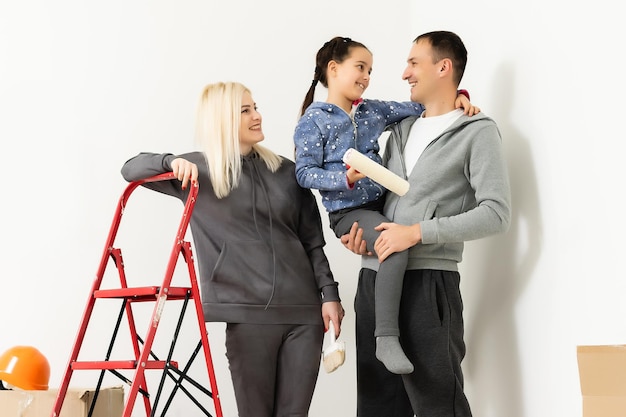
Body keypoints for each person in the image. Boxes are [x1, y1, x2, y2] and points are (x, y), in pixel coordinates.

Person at [121, 81, 345, 417]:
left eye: (255, 107)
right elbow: (131, 168)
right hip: (247, 317)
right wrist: (170, 161)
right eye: (245, 110)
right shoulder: (200, 171)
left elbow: (312, 242)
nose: (257, 116)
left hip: (304, 315)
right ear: (223, 119)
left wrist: (329, 295)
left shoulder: (286, 172)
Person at [341, 31, 512, 417]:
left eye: (413, 63)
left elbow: (496, 213)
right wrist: (361, 238)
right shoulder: (400, 129)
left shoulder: (478, 131)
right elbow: (385, 200)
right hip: (374, 279)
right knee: (377, 406)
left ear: (443, 67)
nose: (405, 73)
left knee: (438, 405)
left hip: (428, 284)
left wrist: (417, 233)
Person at [293, 36, 479, 375]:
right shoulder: (313, 121)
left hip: (381, 203)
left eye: (370, 70)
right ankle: (386, 337)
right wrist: (344, 180)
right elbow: (304, 174)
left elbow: (420, 107)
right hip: (348, 212)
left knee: (393, 241)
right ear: (333, 69)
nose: (366, 76)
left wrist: (460, 99)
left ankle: (387, 335)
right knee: (395, 247)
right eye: (360, 67)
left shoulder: (372, 110)